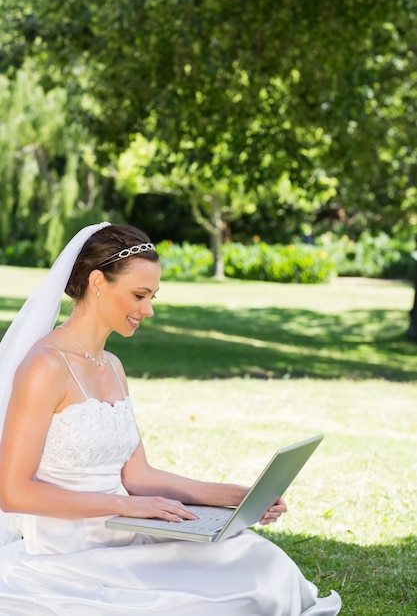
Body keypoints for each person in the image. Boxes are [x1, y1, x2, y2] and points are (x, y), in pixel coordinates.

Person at [0, 222, 341, 615]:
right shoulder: (45, 365)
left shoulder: (112, 365)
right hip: (68, 556)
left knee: (261, 560)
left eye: (152, 296)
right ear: (97, 282)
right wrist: (125, 507)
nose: (148, 309)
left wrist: (240, 497)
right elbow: (14, 493)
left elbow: (139, 477)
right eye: (139, 295)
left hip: (126, 535)